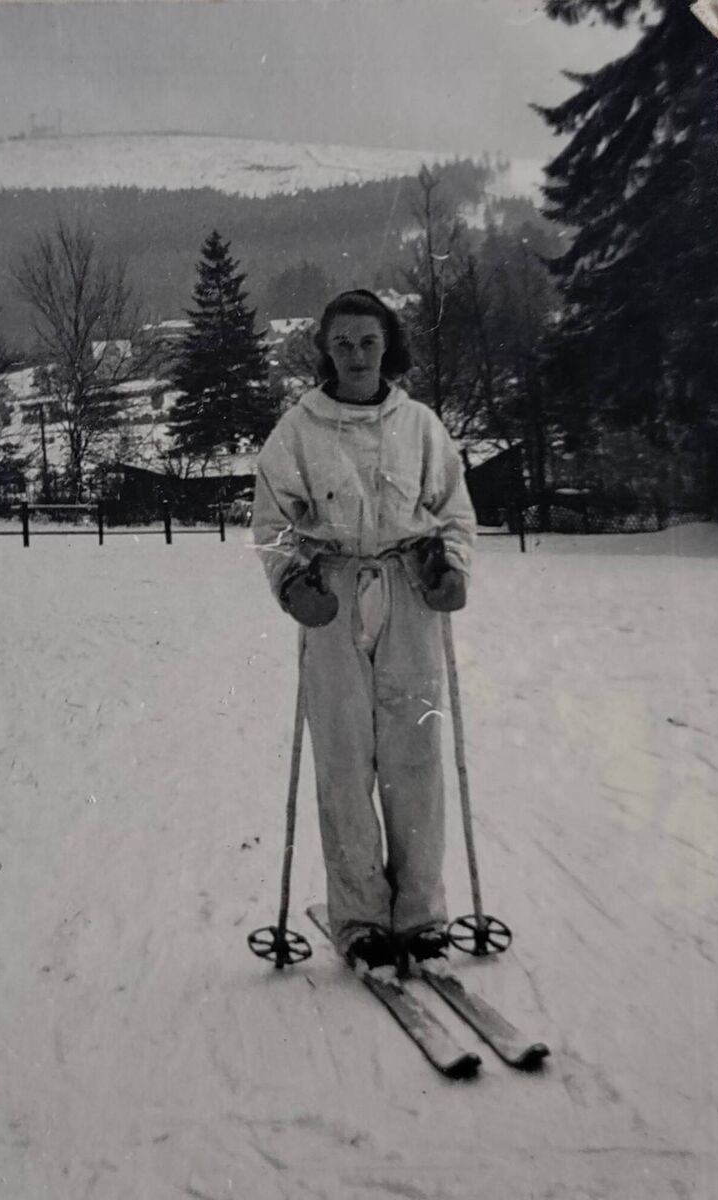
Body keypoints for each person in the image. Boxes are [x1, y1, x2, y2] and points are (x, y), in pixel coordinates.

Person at [252, 289, 477, 982]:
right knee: (346, 760)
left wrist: (452, 568)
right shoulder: (299, 429)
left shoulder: (420, 426)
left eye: (368, 342)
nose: (355, 356)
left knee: (415, 755)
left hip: (409, 594)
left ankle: (419, 917)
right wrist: (294, 582)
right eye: (343, 343)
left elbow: (454, 511)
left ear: (388, 346)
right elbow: (273, 519)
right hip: (336, 596)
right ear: (325, 349)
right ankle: (361, 922)